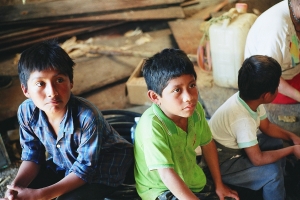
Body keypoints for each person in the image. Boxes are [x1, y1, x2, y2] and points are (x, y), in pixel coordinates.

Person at [1, 40, 133, 200]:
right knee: (23, 192)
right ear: (25, 90)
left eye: (59, 80)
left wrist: (40, 195)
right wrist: (17, 186)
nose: (52, 92)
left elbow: (85, 170)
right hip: (65, 163)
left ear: (71, 82)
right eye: (40, 83)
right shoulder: (27, 111)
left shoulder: (87, 115)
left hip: (103, 170)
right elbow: (33, 155)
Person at [133, 48, 239, 200]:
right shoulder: (153, 127)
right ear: (155, 97)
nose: (188, 98)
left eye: (192, 86)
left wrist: (219, 184)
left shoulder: (195, 112)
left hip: (190, 177)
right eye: (177, 90)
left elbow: (207, 143)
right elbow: (166, 174)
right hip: (160, 189)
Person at [208, 55, 300, 200]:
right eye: (277, 87)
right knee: (272, 173)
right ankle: (274, 189)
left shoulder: (249, 100)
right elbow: (257, 159)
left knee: (274, 142)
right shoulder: (243, 120)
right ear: (267, 95)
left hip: (235, 146)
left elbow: (267, 127)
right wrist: (292, 149)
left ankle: (279, 183)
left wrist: (292, 137)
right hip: (224, 162)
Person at [244, 0, 300, 104]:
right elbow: (267, 77)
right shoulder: (276, 28)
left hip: (291, 73)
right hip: (271, 86)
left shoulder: (295, 13)